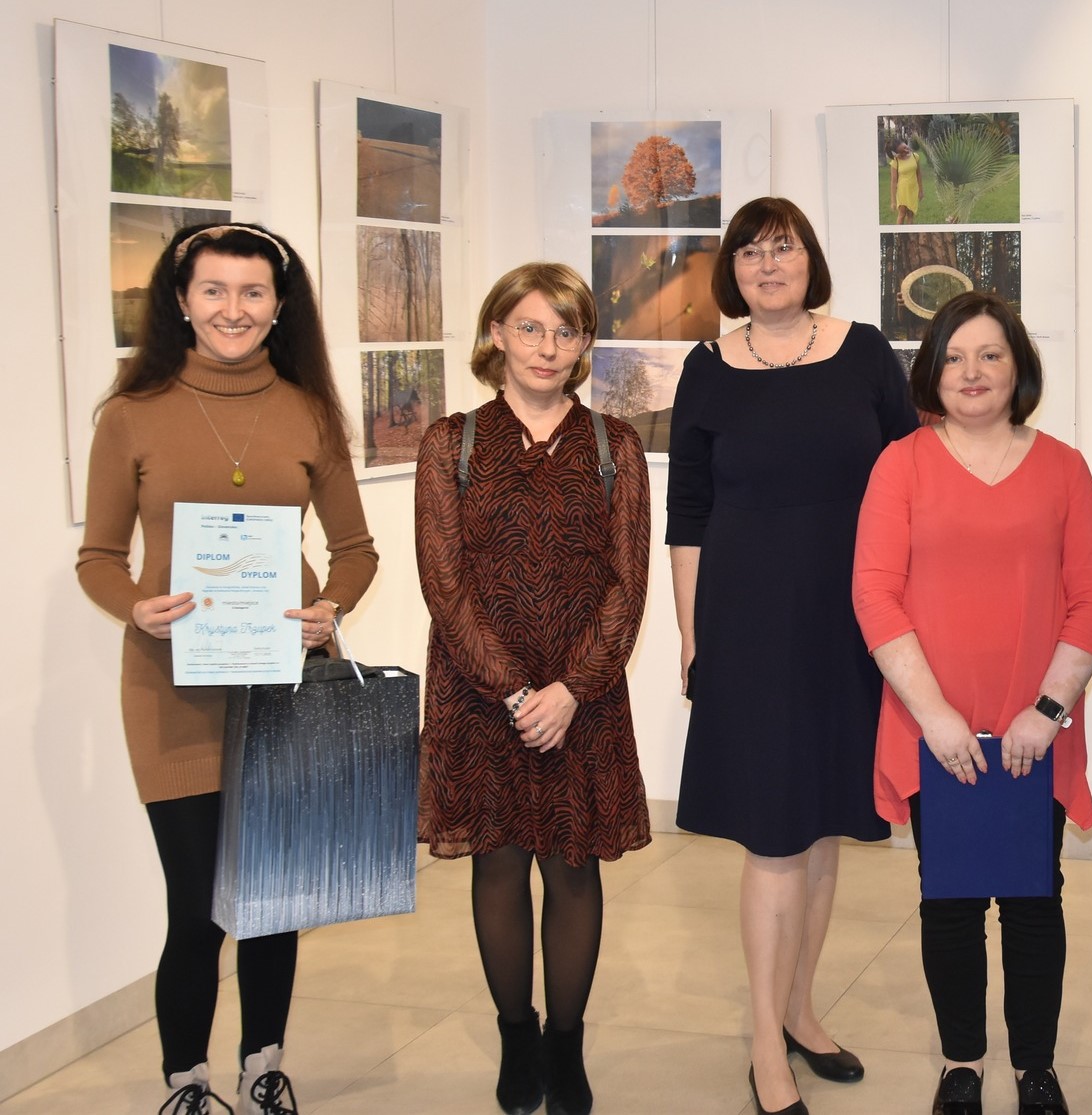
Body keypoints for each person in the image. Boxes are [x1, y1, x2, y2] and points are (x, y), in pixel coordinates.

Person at [76, 223, 379, 1115]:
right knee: (197, 906)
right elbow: (99, 557)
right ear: (181, 300)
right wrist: (135, 605)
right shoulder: (130, 414)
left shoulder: (309, 411)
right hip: (172, 689)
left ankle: (262, 1065)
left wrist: (332, 605)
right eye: (214, 290)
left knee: (273, 899)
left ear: (279, 306)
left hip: (283, 683)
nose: (233, 309)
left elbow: (356, 548)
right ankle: (187, 1082)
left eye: (252, 293)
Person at [667, 197, 919, 1115]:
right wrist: (691, 635)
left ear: (811, 259)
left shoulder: (865, 353)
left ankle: (802, 1008)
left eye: (784, 248)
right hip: (747, 623)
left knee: (819, 827)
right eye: (750, 253)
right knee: (773, 837)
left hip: (848, 622)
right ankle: (765, 1043)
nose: (768, 265)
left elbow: (910, 481)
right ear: (730, 272)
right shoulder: (707, 368)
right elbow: (687, 511)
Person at [853, 292, 1092, 1115]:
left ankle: (1036, 1067)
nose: (972, 372)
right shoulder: (900, 464)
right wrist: (935, 716)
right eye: (955, 356)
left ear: (1018, 367)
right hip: (934, 726)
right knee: (952, 900)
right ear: (932, 372)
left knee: (1035, 900)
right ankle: (961, 1062)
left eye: (990, 354)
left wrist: (1048, 710)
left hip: (1037, 726)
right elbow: (874, 594)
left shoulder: (1064, 467)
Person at [415, 262, 651, 1115]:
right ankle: (517, 1036)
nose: (547, 346)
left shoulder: (615, 446)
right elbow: (444, 584)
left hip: (583, 697)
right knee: (500, 864)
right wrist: (516, 693)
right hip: (481, 698)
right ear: (496, 335)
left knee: (573, 866)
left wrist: (570, 691)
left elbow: (628, 585)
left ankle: (565, 1041)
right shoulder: (451, 443)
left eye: (566, 330)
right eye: (530, 327)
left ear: (584, 343)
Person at [887, 138, 923, 224]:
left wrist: (921, 190)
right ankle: (899, 232)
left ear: (905, 143)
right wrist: (893, 201)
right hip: (902, 191)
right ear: (897, 153)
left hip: (913, 190)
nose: (906, 151)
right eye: (902, 151)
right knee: (902, 214)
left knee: (910, 215)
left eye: (905, 147)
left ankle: (909, 232)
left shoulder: (915, 156)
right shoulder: (895, 161)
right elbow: (893, 182)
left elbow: (918, 174)